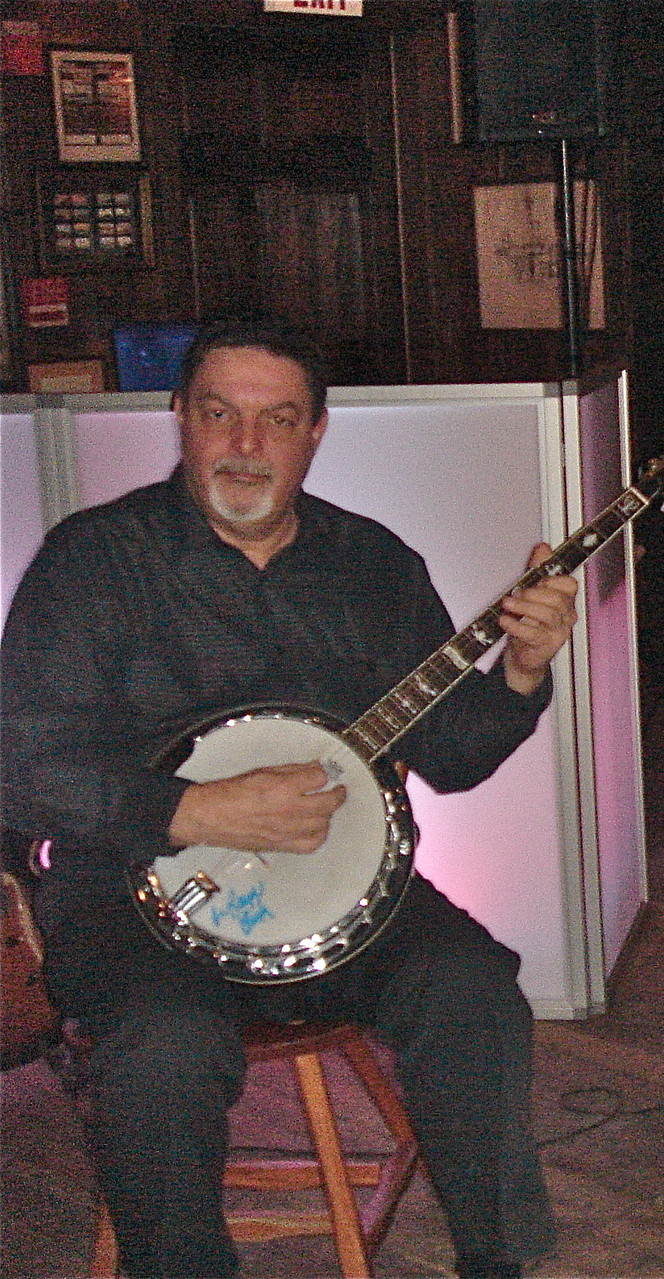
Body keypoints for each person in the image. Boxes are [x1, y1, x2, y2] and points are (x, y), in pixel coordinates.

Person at [0, 319, 581, 1279]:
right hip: (131, 900)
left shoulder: (374, 566)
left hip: (342, 900)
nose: (246, 445)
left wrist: (521, 671)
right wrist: (193, 811)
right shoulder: (92, 561)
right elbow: (22, 766)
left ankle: (499, 1261)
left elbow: (451, 755)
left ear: (317, 431)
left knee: (473, 989)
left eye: (277, 419)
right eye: (221, 414)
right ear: (178, 416)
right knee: (164, 1044)